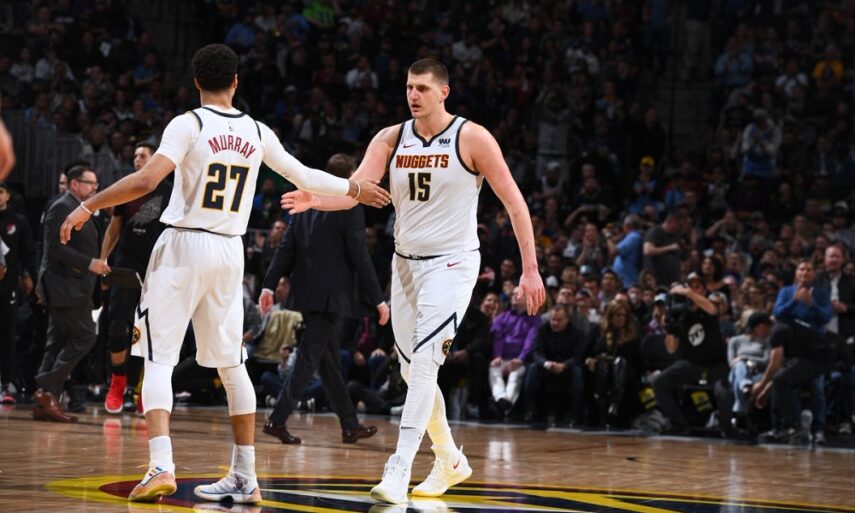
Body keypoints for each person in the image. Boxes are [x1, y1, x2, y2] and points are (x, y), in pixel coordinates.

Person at [59, 44, 389, 505]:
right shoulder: (257, 131)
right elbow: (304, 175)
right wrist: (354, 188)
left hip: (183, 246)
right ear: (236, 81)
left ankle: (160, 466)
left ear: (196, 81)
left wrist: (88, 205)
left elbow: (146, 181)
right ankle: (246, 475)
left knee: (158, 360)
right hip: (229, 251)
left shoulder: (188, 124)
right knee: (233, 366)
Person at [281, 58, 545, 504]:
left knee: (424, 363)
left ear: (444, 92)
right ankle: (449, 459)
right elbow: (355, 190)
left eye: (422, 88)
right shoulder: (390, 138)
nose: (413, 95)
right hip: (405, 265)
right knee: (411, 369)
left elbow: (515, 204)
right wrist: (316, 198)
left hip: (452, 263)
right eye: (408, 87)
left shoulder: (472, 137)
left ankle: (399, 466)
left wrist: (530, 269)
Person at [259, 153, 389, 445]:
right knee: (308, 358)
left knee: (327, 361)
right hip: (332, 297)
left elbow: (285, 250)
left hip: (306, 294)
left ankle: (349, 425)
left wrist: (268, 286)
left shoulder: (308, 200)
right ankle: (277, 420)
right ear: (351, 176)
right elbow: (360, 256)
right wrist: (379, 300)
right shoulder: (350, 203)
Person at [34, 165, 108, 423]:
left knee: (56, 343)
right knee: (86, 336)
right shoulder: (62, 207)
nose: (95, 188)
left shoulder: (81, 208)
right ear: (75, 184)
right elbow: (54, 249)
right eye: (90, 183)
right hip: (65, 287)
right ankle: (46, 385)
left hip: (72, 286)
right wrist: (90, 264)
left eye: (96, 183)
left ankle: (45, 402)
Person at [100, 142, 171, 414]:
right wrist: (102, 259)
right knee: (118, 326)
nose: (137, 159)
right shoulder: (128, 187)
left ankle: (142, 387)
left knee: (147, 332)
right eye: (135, 156)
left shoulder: (170, 190)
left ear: (155, 159)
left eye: (143, 155)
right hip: (125, 266)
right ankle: (118, 381)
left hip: (157, 269)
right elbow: (114, 226)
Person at [752, 260, 832, 444]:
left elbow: (825, 317)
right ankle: (782, 427)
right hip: (795, 349)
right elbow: (779, 312)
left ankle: (818, 430)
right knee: (781, 381)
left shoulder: (821, 293)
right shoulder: (786, 292)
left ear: (814, 273)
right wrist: (795, 301)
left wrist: (811, 303)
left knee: (817, 388)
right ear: (796, 272)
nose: (805, 272)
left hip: (816, 350)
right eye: (801, 269)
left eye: (809, 269)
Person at [650, 272, 727, 434]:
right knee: (659, 382)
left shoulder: (709, 306)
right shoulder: (681, 314)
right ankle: (678, 424)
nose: (692, 290)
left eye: (697, 287)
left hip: (715, 364)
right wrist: (670, 326)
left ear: (704, 291)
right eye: (690, 286)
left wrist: (688, 292)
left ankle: (728, 428)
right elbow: (671, 349)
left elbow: (713, 310)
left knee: (722, 391)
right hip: (691, 364)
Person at [0, 182, 36, 404]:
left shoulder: (18, 221)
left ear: (7, 196)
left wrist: (29, 275)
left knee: (7, 335)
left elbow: (28, 252)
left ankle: (6, 383)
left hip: (8, 286)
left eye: (1, 191)